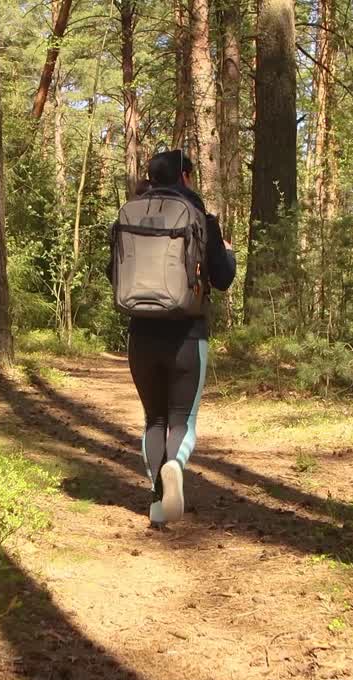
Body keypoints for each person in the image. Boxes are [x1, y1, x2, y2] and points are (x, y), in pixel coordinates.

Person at [115, 149, 236, 526]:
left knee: (154, 419)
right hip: (187, 334)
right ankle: (176, 466)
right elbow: (223, 278)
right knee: (182, 419)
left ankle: (157, 505)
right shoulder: (202, 218)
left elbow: (112, 273)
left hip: (141, 334)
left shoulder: (130, 214)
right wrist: (227, 253)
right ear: (184, 176)